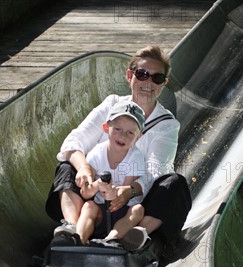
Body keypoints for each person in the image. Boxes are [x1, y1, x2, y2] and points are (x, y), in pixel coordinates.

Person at [45, 44, 191, 253]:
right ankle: (74, 228)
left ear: (163, 84)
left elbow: (157, 169)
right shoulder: (111, 105)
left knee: (175, 184)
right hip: (95, 201)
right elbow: (73, 141)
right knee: (67, 166)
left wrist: (129, 190)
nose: (148, 82)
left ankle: (134, 235)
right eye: (142, 74)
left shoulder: (167, 124)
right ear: (129, 75)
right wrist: (85, 168)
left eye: (156, 78)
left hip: (134, 206)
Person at [53, 99, 149, 249]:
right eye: (117, 129)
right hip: (100, 210)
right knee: (89, 206)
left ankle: (114, 239)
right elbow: (86, 193)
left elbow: (126, 192)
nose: (122, 136)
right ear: (106, 128)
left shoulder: (135, 157)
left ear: (139, 136)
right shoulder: (97, 153)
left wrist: (113, 191)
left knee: (138, 210)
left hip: (121, 208)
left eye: (130, 133)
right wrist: (98, 184)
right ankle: (78, 238)